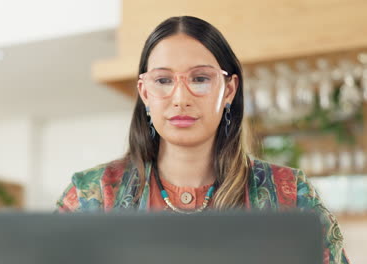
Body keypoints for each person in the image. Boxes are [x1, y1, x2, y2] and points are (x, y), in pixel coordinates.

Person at [55, 16, 350, 264]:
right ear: (145, 92)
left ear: (229, 89)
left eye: (200, 79)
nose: (181, 99)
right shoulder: (91, 195)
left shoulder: (290, 193)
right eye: (163, 80)